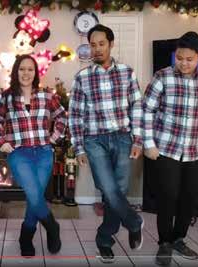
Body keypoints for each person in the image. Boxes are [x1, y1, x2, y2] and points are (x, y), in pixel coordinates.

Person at [68, 24, 144, 263]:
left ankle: (104, 239)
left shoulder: (127, 72)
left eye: (102, 44)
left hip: (123, 137)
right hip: (94, 140)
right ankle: (134, 222)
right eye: (93, 45)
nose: (97, 49)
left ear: (111, 44)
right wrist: (78, 146)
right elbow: (75, 114)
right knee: (108, 189)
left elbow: (137, 107)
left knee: (118, 193)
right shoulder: (82, 77)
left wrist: (138, 140)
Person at [143, 31, 198, 266]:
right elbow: (145, 112)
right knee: (167, 198)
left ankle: (178, 239)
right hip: (165, 149)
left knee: (191, 198)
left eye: (189, 59)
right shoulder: (162, 77)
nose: (183, 63)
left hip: (195, 151)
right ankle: (164, 243)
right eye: (179, 58)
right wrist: (149, 144)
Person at [0, 54, 66, 257]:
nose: (26, 73)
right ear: (16, 71)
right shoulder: (5, 97)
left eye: (30, 69)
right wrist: (2, 142)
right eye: (22, 69)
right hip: (19, 153)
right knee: (33, 194)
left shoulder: (47, 96)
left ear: (36, 72)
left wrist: (53, 138)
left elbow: (61, 117)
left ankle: (26, 236)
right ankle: (52, 226)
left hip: (43, 153)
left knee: (36, 198)